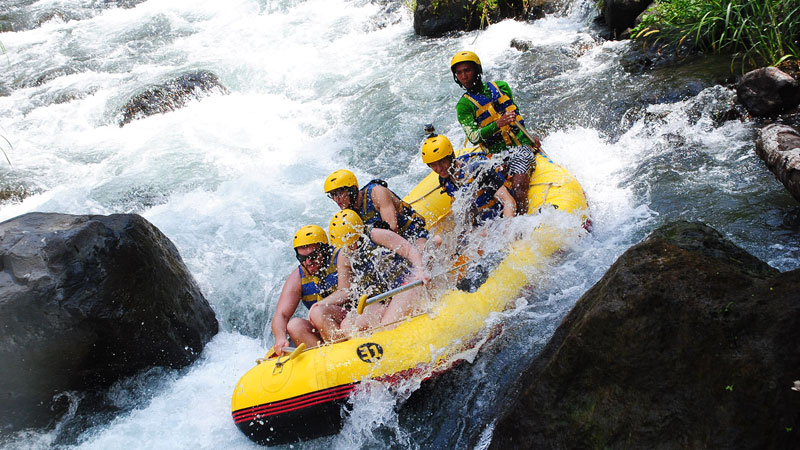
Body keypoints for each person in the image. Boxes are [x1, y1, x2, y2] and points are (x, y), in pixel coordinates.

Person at [450, 50, 541, 215]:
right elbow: (474, 137)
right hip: (494, 155)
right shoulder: (463, 106)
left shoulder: (502, 87)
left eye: (467, 70)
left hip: (519, 147)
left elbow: (516, 117)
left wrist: (530, 136)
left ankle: (522, 223)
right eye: (459, 73)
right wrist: (499, 123)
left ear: (477, 70)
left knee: (518, 183)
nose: (463, 76)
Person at [327, 209, 431, 333]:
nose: (350, 247)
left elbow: (409, 250)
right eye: (346, 245)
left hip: (405, 285)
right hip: (380, 300)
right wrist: (321, 304)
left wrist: (420, 270)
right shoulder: (344, 254)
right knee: (347, 327)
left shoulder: (376, 235)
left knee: (387, 325)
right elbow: (345, 290)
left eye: (353, 243)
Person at [270, 225, 347, 355]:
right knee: (294, 325)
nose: (308, 262)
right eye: (302, 258)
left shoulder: (341, 257)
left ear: (325, 250)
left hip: (350, 317)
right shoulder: (298, 277)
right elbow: (281, 315)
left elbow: (348, 291)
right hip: (324, 326)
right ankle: (327, 360)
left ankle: (344, 353)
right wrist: (280, 337)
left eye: (313, 256)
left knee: (317, 312)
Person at [421, 134, 516, 226]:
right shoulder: (445, 179)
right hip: (483, 224)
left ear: (451, 157)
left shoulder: (478, 169)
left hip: (501, 217)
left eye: (442, 162)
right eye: (433, 165)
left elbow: (509, 201)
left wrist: (507, 230)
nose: (439, 168)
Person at [324, 169, 428, 249]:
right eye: (332, 195)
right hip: (389, 243)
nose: (336, 199)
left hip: (412, 232)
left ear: (352, 189)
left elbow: (393, 228)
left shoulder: (377, 193)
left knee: (422, 257)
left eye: (339, 193)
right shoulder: (348, 212)